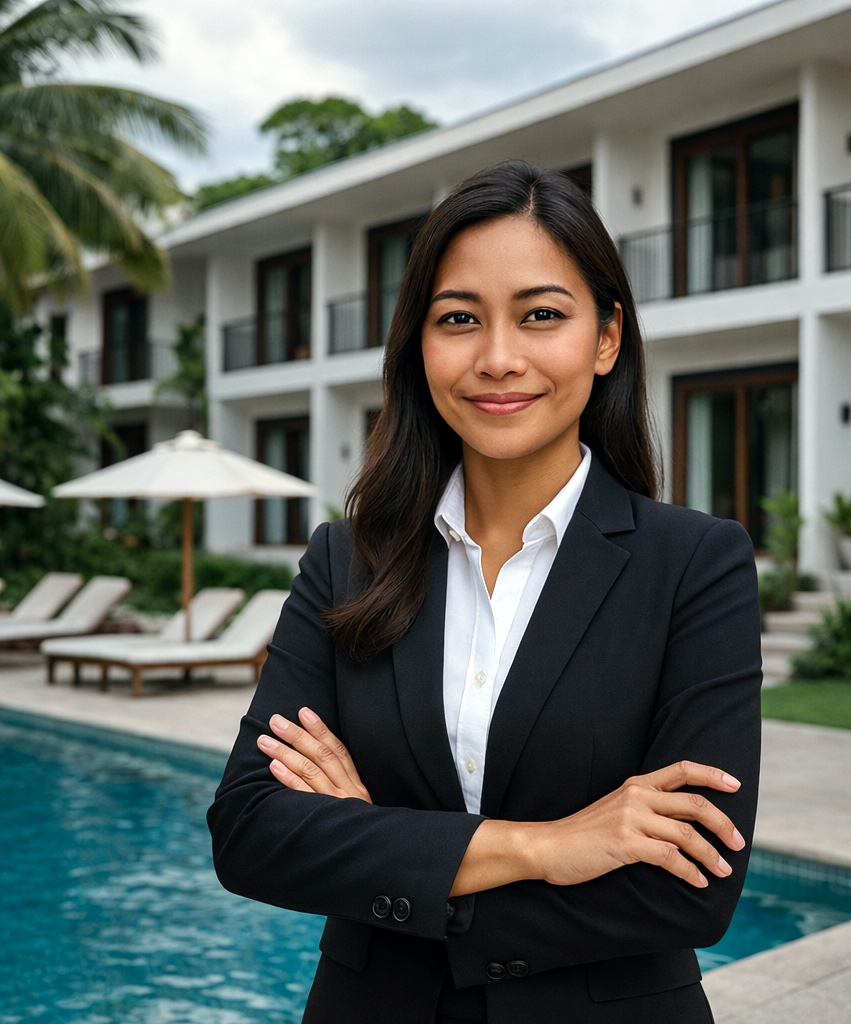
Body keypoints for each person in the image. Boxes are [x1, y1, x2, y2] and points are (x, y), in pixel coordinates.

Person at [207, 160, 762, 1024]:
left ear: (606, 338)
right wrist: (547, 847)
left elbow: (689, 892)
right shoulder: (344, 561)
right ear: (420, 346)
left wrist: (382, 845)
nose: (498, 359)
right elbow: (249, 833)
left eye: (542, 315)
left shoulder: (694, 564)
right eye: (459, 319)